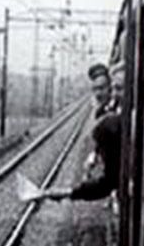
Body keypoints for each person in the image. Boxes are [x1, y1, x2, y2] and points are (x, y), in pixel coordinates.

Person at [35, 64, 122, 203]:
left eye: (102, 88)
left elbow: (109, 180)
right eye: (95, 89)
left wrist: (70, 192)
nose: (98, 94)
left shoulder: (111, 121)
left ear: (110, 87)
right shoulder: (104, 113)